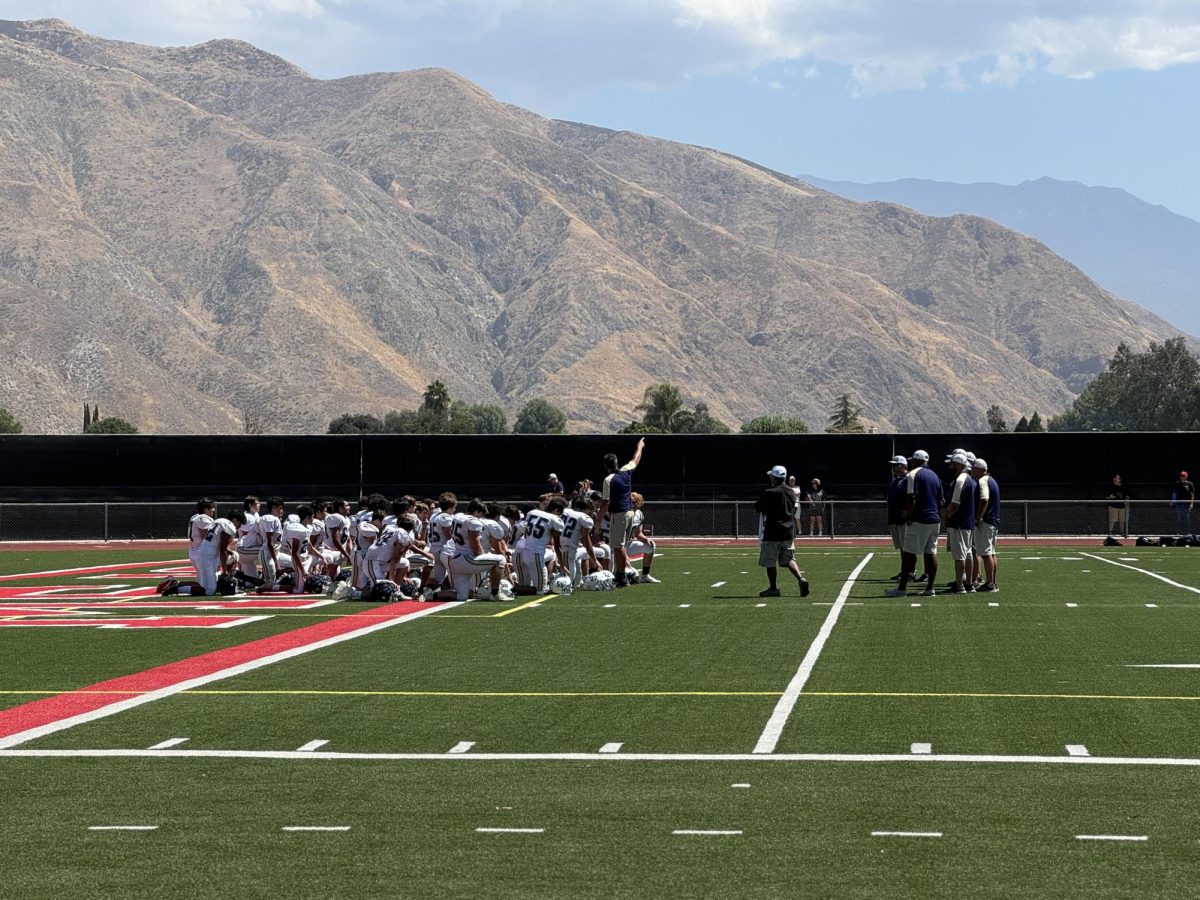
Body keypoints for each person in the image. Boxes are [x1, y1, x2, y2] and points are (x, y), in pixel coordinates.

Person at [886, 450, 943, 598]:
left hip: (919, 519)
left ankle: (902, 588)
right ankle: (930, 587)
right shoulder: (935, 475)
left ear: (916, 461)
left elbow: (912, 497)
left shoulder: (913, 474)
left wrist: (910, 516)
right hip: (934, 518)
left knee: (908, 553)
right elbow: (940, 499)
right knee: (931, 552)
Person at [754, 465, 810, 598]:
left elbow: (758, 507)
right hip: (788, 531)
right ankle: (801, 579)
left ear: (774, 477)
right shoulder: (791, 491)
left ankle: (773, 588)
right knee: (789, 559)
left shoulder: (770, 492)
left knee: (770, 561)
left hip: (773, 531)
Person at [596, 438, 645, 588]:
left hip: (619, 514)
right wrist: (640, 446)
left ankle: (621, 577)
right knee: (620, 545)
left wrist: (597, 521)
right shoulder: (625, 472)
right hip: (630, 512)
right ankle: (622, 574)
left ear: (605, 466)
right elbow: (635, 459)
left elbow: (604, 503)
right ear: (616, 463)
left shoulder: (608, 480)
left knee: (618, 546)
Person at [943, 452, 977, 593]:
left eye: (953, 464)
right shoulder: (969, 478)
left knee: (959, 556)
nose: (951, 466)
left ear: (958, 464)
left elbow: (955, 504)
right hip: (967, 523)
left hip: (959, 523)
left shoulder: (960, 480)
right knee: (968, 554)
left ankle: (959, 585)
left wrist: (947, 516)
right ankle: (968, 583)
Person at [971, 458, 1000, 593]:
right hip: (993, 521)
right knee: (992, 553)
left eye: (974, 468)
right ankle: (992, 581)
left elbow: (984, 499)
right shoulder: (992, 480)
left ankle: (990, 583)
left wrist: (978, 517)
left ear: (980, 469)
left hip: (986, 521)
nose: (972, 471)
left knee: (986, 554)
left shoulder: (983, 481)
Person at [886, 455, 911, 581]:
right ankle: (904, 570)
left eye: (896, 465)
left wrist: (907, 512)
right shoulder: (896, 480)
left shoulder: (907, 479)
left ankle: (910, 571)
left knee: (907, 547)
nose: (894, 467)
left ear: (903, 466)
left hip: (902, 519)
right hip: (895, 518)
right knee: (901, 547)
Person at [627, 492, 660, 583]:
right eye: (631, 502)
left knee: (650, 546)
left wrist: (646, 539)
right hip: (616, 546)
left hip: (628, 544)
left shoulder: (639, 514)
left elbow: (638, 534)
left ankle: (645, 575)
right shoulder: (621, 514)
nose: (633, 505)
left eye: (635, 503)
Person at [1173, 470, 1195, 535]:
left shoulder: (1190, 484)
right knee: (1179, 518)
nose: (1181, 477)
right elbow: (1174, 493)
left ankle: (1187, 533)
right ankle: (1180, 532)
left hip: (1187, 504)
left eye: (1182, 476)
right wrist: (1173, 501)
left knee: (1186, 519)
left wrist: (1191, 503)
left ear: (1186, 477)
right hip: (1179, 504)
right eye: (1180, 476)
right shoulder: (1177, 483)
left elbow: (1192, 494)